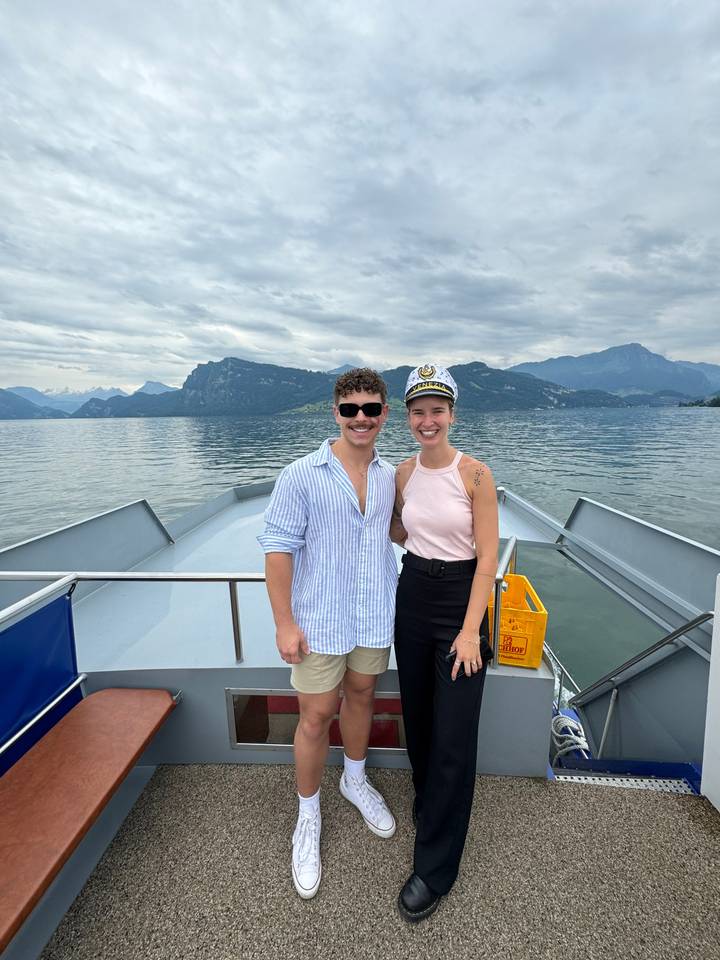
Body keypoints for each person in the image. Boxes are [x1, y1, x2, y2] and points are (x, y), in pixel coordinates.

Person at [257, 368, 398, 901]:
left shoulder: (390, 476)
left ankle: (355, 780)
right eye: (350, 409)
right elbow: (277, 549)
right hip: (320, 620)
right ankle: (308, 814)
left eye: (370, 409)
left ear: (384, 414)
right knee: (316, 716)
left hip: (372, 614)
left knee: (362, 695)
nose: (360, 418)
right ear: (335, 413)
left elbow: (402, 529)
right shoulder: (302, 474)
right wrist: (284, 622)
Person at [391, 362, 499, 922]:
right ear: (408, 417)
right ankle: (429, 805)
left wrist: (469, 631)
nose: (427, 420)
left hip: (462, 600)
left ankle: (435, 869)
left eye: (437, 410)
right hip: (412, 595)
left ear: (452, 414)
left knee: (454, 733)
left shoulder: (476, 475)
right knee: (421, 718)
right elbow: (397, 529)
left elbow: (487, 559)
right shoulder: (403, 473)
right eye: (418, 411)